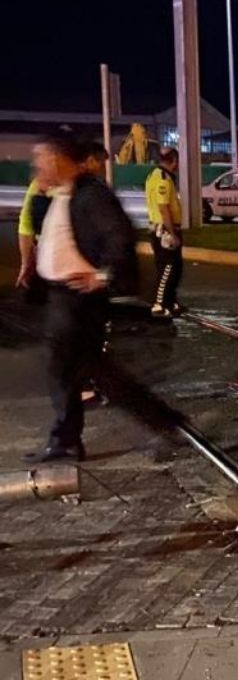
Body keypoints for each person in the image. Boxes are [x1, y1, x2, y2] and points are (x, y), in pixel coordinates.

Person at [23, 132, 138, 463]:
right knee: (79, 370)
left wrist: (104, 276)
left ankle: (65, 440)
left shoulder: (91, 195)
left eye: (40, 159)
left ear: (58, 159)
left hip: (78, 300)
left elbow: (119, 236)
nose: (36, 166)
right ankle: (67, 438)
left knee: (66, 369)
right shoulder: (65, 193)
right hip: (63, 298)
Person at [145, 148, 184, 318]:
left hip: (163, 229)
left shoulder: (156, 175)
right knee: (168, 268)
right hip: (164, 230)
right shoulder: (162, 179)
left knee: (175, 267)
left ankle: (171, 301)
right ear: (174, 160)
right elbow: (163, 208)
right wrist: (172, 232)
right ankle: (159, 303)